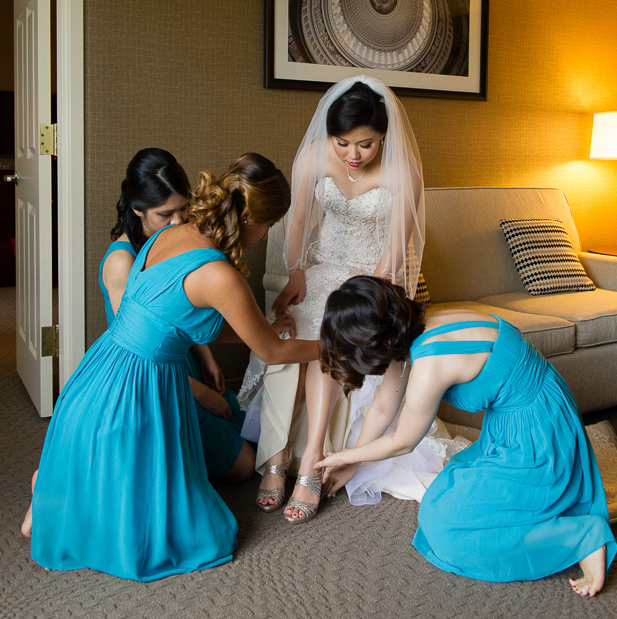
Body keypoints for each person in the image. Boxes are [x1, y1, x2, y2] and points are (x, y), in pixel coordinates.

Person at [22, 154, 317, 581]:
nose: (265, 235)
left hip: (97, 372)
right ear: (250, 216)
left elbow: (181, 320)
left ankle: (61, 488)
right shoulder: (219, 274)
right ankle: (67, 498)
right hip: (135, 388)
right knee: (200, 532)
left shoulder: (172, 233)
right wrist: (334, 346)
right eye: (269, 225)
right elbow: (272, 352)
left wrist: (257, 327)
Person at [240, 77, 469, 523]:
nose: (353, 155)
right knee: (295, 327)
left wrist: (367, 298)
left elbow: (395, 255)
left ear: (384, 135)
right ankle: (277, 454)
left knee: (333, 327)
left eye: (365, 144)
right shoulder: (312, 156)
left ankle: (311, 460)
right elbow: (299, 223)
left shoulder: (403, 172)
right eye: (342, 143)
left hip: (369, 281)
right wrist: (296, 275)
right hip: (320, 268)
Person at [316, 276, 617, 597]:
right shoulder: (412, 325)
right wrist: (354, 463)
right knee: (444, 495)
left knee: (446, 531)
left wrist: (342, 457)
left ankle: (583, 538)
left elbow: (404, 441)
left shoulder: (430, 361)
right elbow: (382, 408)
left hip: (538, 437)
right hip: (522, 419)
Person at [100, 147, 253, 483]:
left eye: (184, 209)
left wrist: (208, 358)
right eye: (165, 215)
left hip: (183, 360)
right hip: (149, 375)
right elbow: (141, 345)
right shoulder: (122, 262)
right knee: (243, 465)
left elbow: (178, 314)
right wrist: (205, 395)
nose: (178, 223)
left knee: (248, 431)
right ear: (138, 209)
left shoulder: (170, 240)